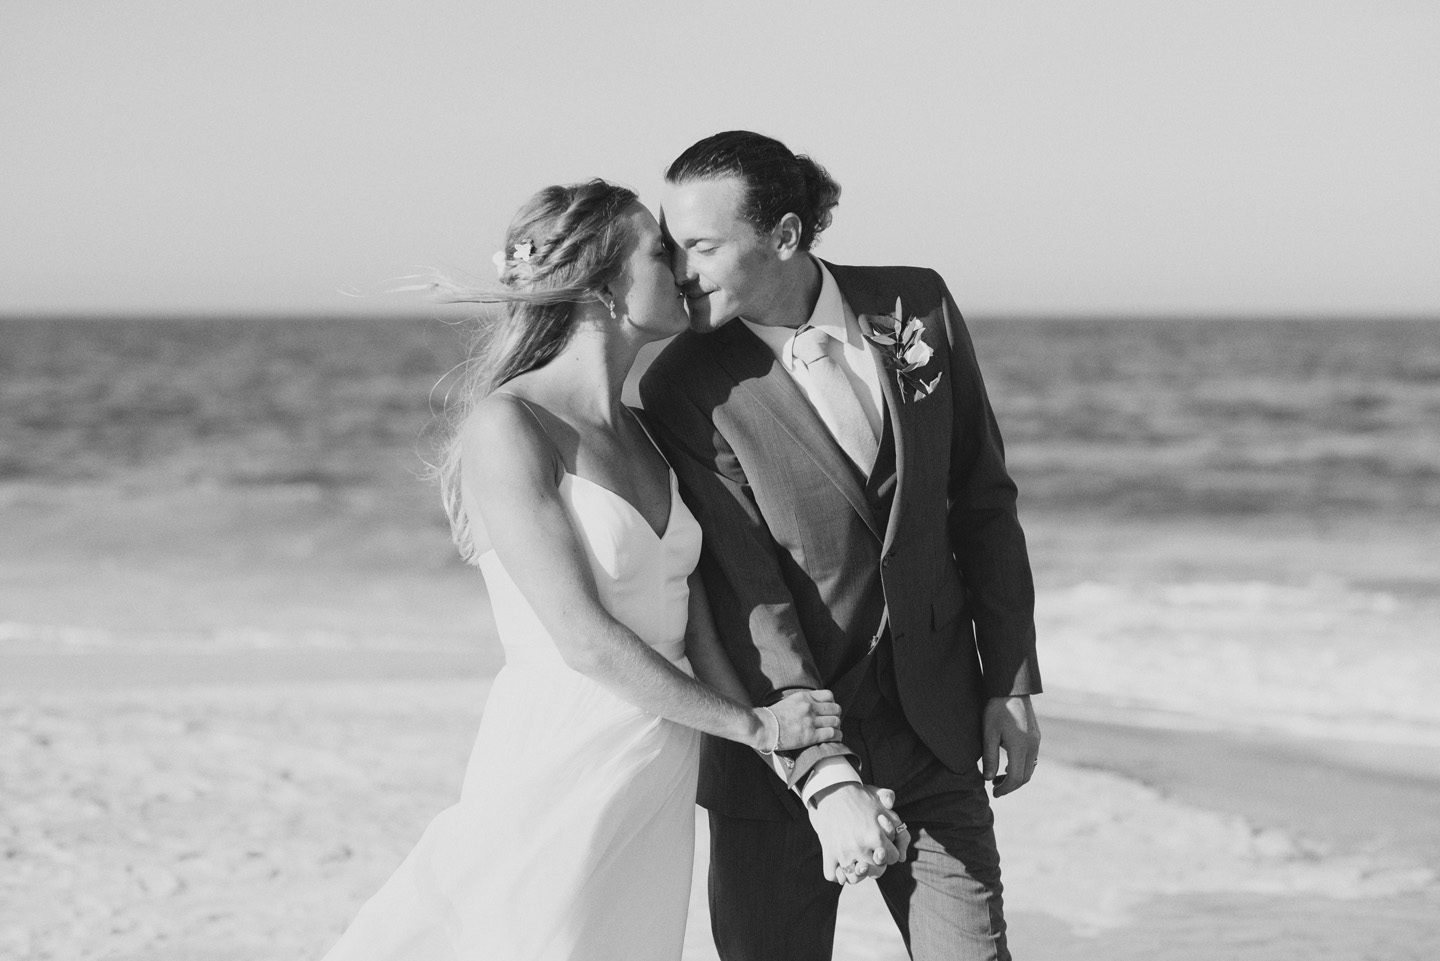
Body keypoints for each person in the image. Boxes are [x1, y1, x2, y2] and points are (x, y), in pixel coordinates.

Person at [319, 179, 844, 961]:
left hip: (657, 766)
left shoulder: (647, 430)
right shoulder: (511, 426)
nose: (684, 269)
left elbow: (692, 622)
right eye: (659, 253)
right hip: (561, 756)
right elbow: (583, 638)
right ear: (604, 287)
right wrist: (752, 724)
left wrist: (789, 758)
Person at [639, 132, 1043, 961]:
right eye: (673, 245)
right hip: (780, 747)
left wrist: (1007, 678)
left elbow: (983, 502)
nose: (682, 270)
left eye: (704, 247)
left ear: (784, 236)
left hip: (936, 725)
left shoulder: (917, 305)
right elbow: (747, 591)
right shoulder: (682, 385)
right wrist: (819, 764)